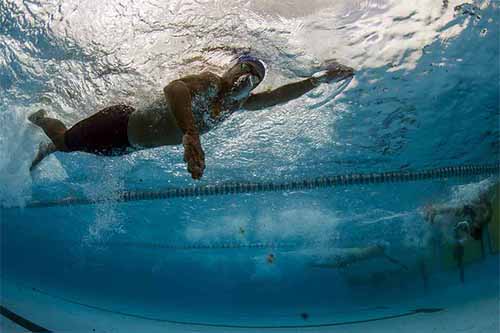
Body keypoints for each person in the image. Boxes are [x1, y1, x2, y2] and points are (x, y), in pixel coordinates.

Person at [28, 55, 354, 179]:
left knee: (72, 147)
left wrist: (318, 80)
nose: (247, 77)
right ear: (230, 69)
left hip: (128, 147)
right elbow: (174, 90)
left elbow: (278, 96)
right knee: (67, 141)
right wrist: (190, 133)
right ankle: (42, 117)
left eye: (254, 77)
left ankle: (49, 148)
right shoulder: (210, 83)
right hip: (120, 123)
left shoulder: (237, 105)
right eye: (245, 67)